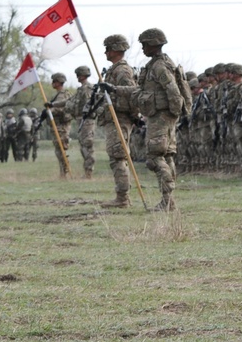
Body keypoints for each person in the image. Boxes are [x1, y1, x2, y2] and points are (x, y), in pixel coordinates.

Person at [103, 28, 188, 211]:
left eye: (144, 45)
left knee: (155, 157)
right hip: (159, 116)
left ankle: (167, 200)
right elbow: (138, 91)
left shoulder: (159, 66)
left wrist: (172, 116)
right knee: (166, 156)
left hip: (161, 117)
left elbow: (173, 92)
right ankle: (169, 201)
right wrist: (114, 89)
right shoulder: (156, 64)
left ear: (153, 44)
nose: (142, 49)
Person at [98, 34, 138, 208]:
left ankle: (123, 198)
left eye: (107, 48)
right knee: (116, 157)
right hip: (114, 118)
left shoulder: (122, 70)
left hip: (120, 117)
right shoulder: (114, 69)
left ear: (115, 49)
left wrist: (113, 88)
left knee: (118, 157)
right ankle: (121, 196)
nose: (105, 52)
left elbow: (133, 91)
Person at [42, 73, 73, 178]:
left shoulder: (63, 95)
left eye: (54, 81)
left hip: (61, 126)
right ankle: (63, 172)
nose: (52, 83)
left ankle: (64, 172)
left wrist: (50, 111)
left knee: (61, 149)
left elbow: (63, 108)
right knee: (58, 150)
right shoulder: (57, 95)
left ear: (59, 82)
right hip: (57, 125)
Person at [70, 66, 97, 179]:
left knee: (87, 145)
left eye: (78, 75)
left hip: (87, 121)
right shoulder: (81, 89)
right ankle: (86, 171)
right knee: (83, 146)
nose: (77, 77)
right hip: (81, 120)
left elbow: (89, 105)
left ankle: (88, 172)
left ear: (82, 75)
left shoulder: (87, 89)